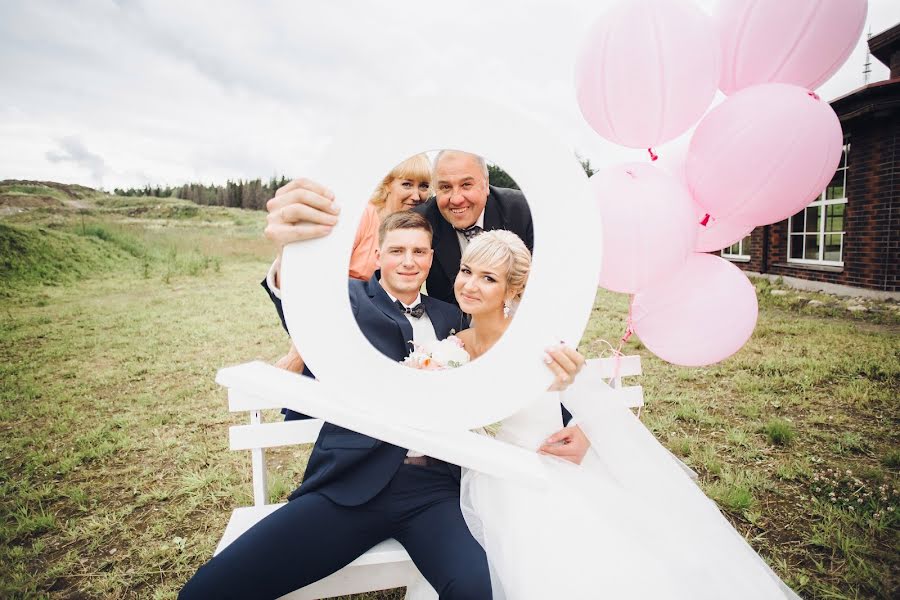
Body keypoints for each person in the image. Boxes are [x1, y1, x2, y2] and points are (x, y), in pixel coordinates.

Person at [179, 212, 585, 599]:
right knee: (211, 589)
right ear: (377, 255)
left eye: (420, 251)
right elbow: (301, 303)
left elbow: (516, 379)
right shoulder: (349, 302)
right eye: (396, 250)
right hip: (351, 483)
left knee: (475, 588)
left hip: (436, 490)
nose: (409, 262)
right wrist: (289, 250)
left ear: (432, 260)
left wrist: (573, 418)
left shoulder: (456, 318)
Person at [450, 230, 801, 599]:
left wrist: (584, 428)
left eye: (488, 278)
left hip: (550, 465)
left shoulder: (541, 343)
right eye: (466, 270)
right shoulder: (455, 346)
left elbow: (591, 399)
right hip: (495, 467)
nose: (470, 285)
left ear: (512, 290)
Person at [273, 153, 431, 377]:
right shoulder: (362, 216)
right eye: (407, 184)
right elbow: (321, 280)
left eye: (424, 186)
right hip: (331, 328)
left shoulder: (410, 228)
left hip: (373, 335)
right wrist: (298, 353)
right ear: (387, 185)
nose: (417, 195)